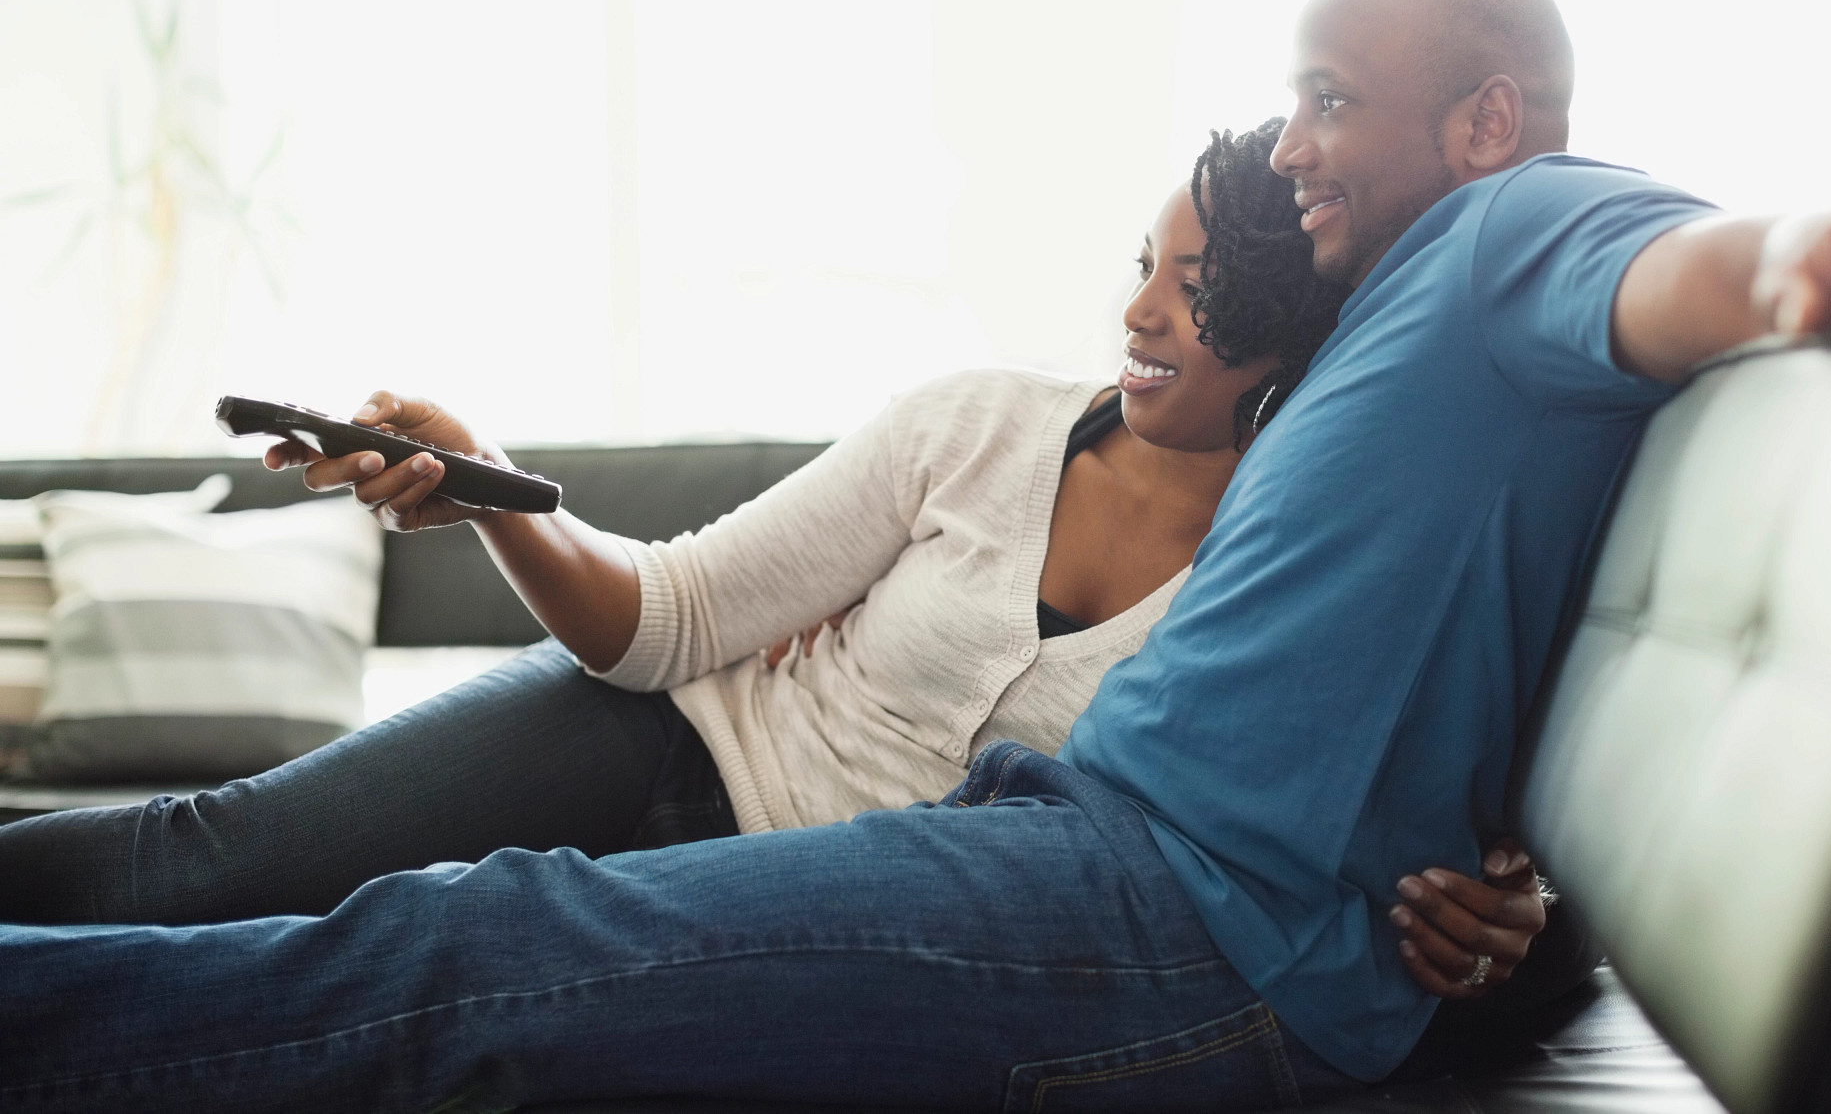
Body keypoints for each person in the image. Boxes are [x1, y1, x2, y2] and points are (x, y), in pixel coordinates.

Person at [0, 0, 1831, 1114]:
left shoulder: (1517, 226)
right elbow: (1474, 656)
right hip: (1070, 832)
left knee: (482, 945)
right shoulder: (1393, 361)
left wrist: (1825, 249)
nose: (1294, 142)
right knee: (387, 897)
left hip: (1174, 908)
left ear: (1480, 123)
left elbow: (1675, 264)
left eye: (1327, 98)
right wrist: (1505, 879)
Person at [0, 120, 1550, 991]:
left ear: (1294, 323)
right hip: (661, 729)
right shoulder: (978, 425)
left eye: (1197, 288)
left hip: (800, 922)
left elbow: (1416, 823)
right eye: (1144, 265)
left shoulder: (1297, 585)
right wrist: (494, 498)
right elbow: (671, 614)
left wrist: (1517, 909)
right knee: (217, 855)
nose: (1139, 311)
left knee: (382, 969)